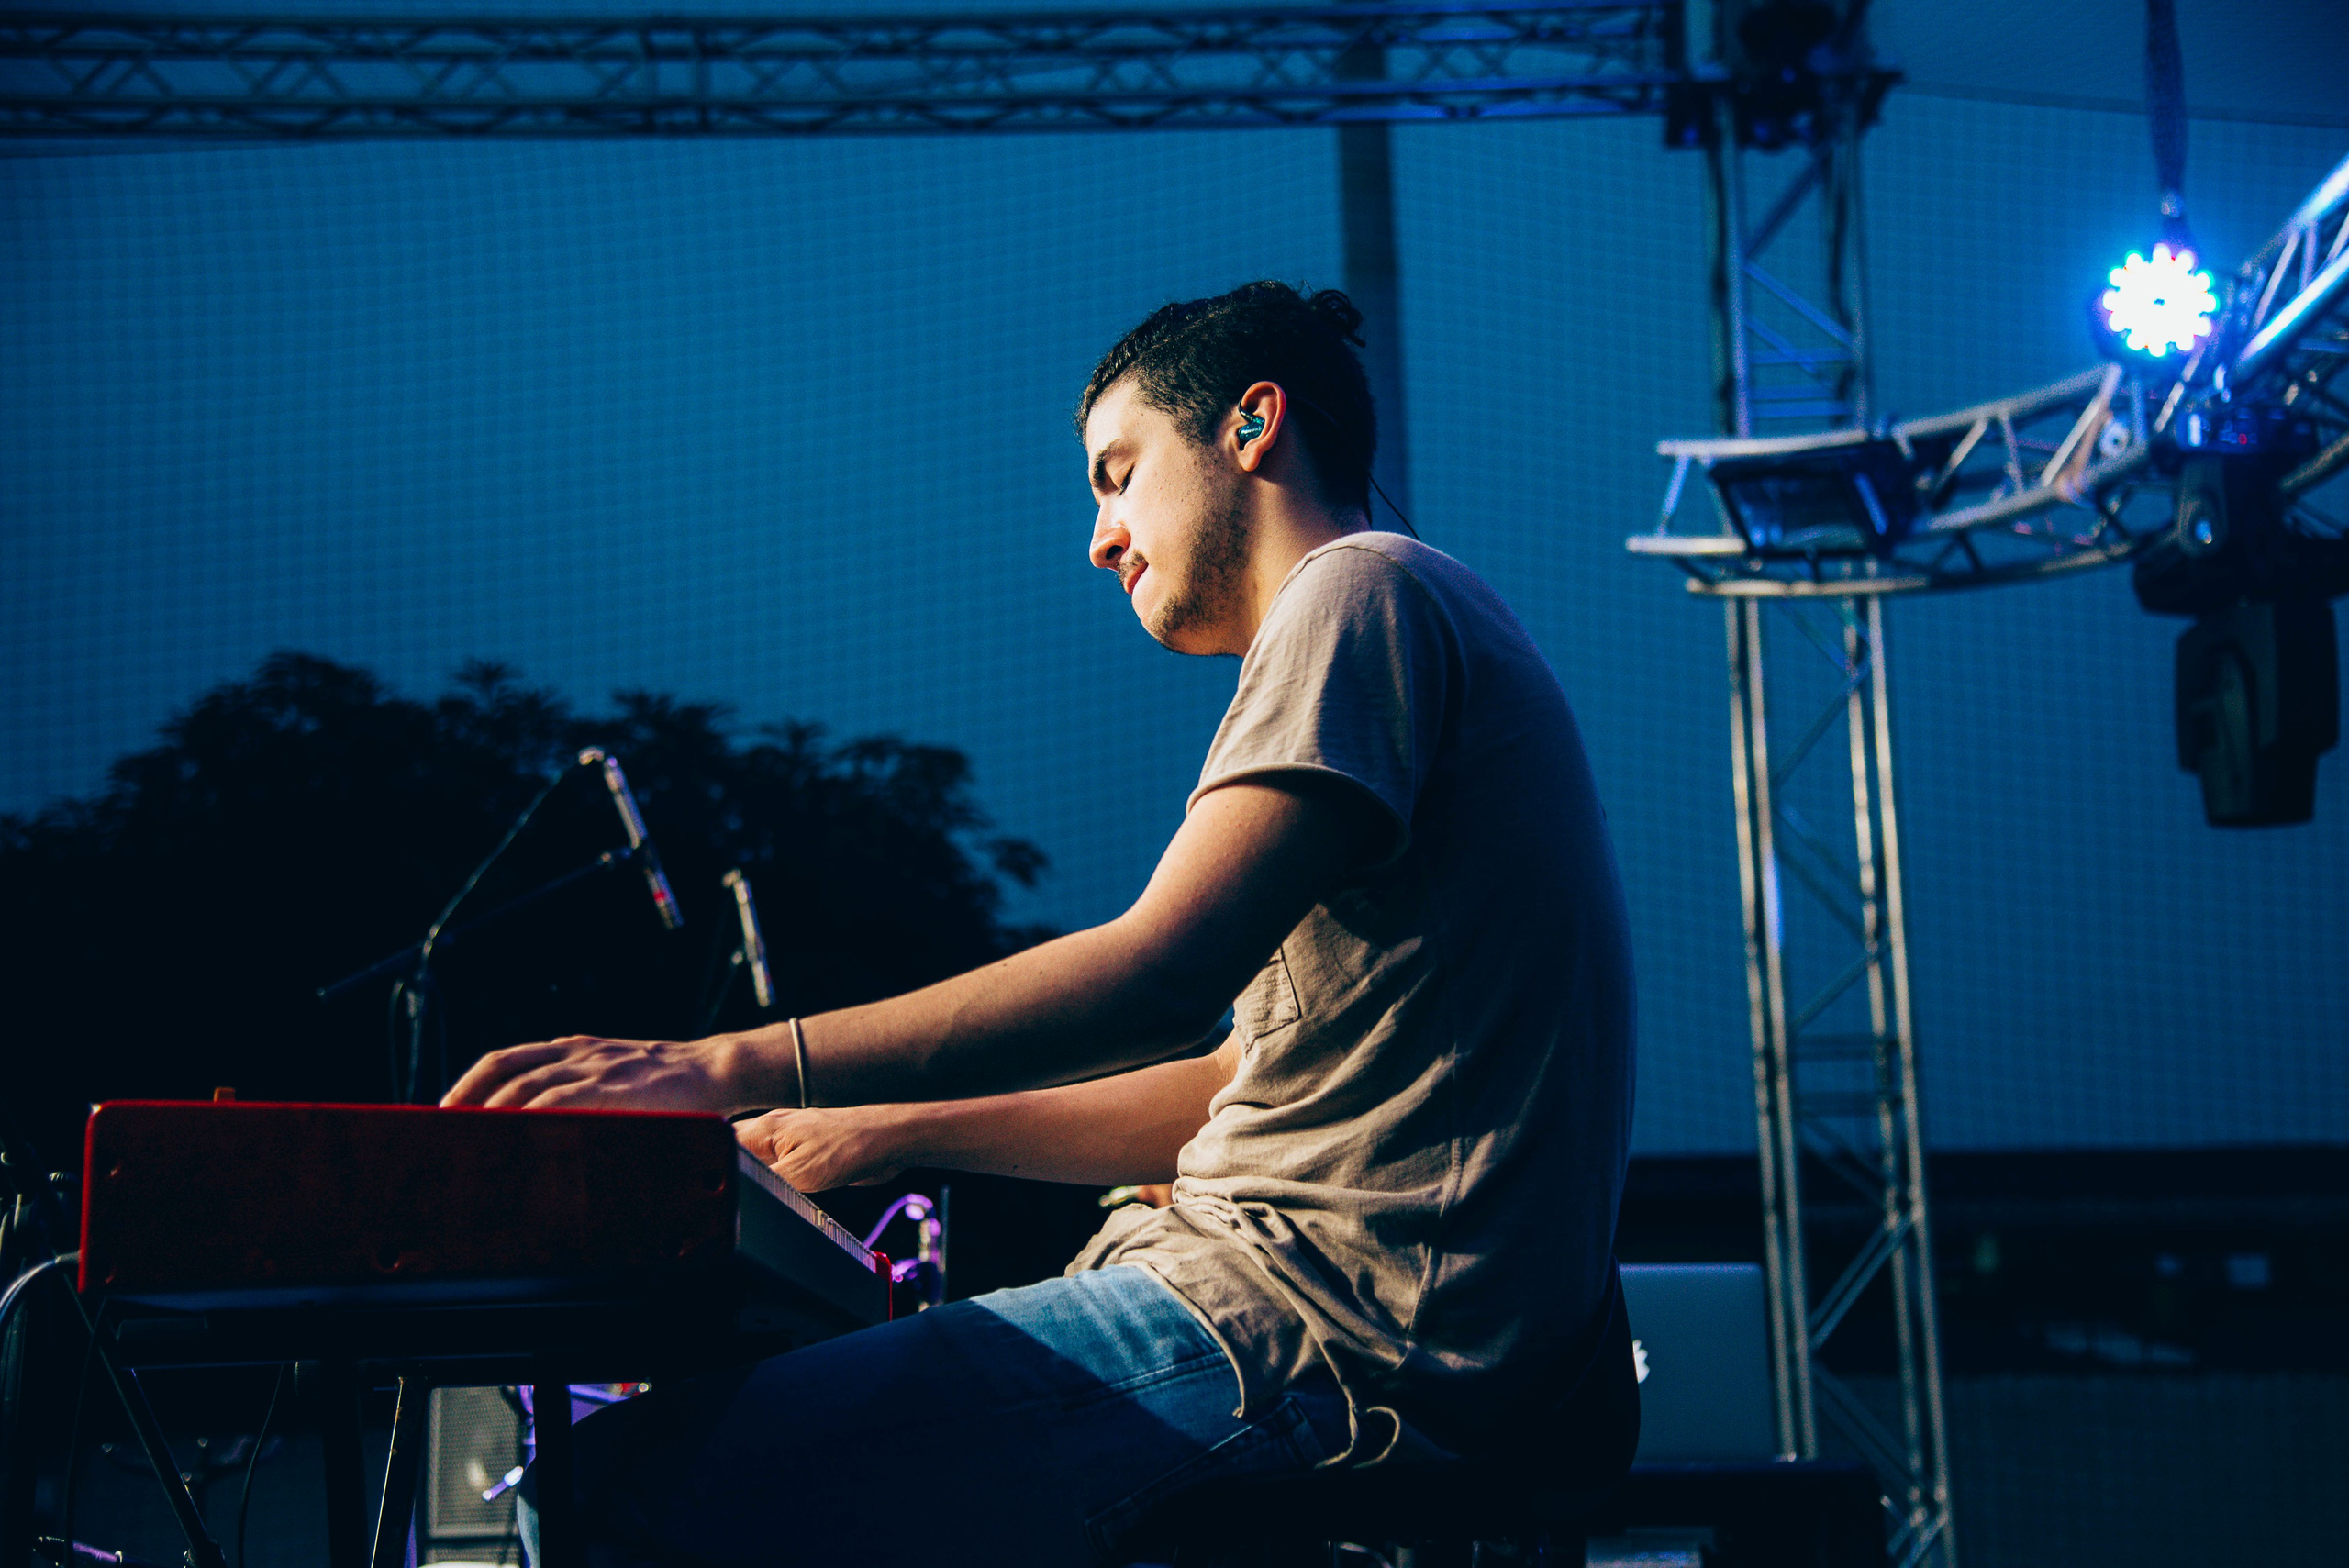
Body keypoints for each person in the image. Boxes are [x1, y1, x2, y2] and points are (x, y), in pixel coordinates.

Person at [442, 280, 1637, 1566]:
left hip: (1306, 1333)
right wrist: (892, 1130)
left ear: (1253, 422)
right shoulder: (1400, 619)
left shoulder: (1360, 591)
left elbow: (1157, 972)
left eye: (1118, 475)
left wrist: (714, 1063)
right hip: (1328, 1323)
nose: (1101, 536)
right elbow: (1241, 1080)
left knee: (602, 1487)